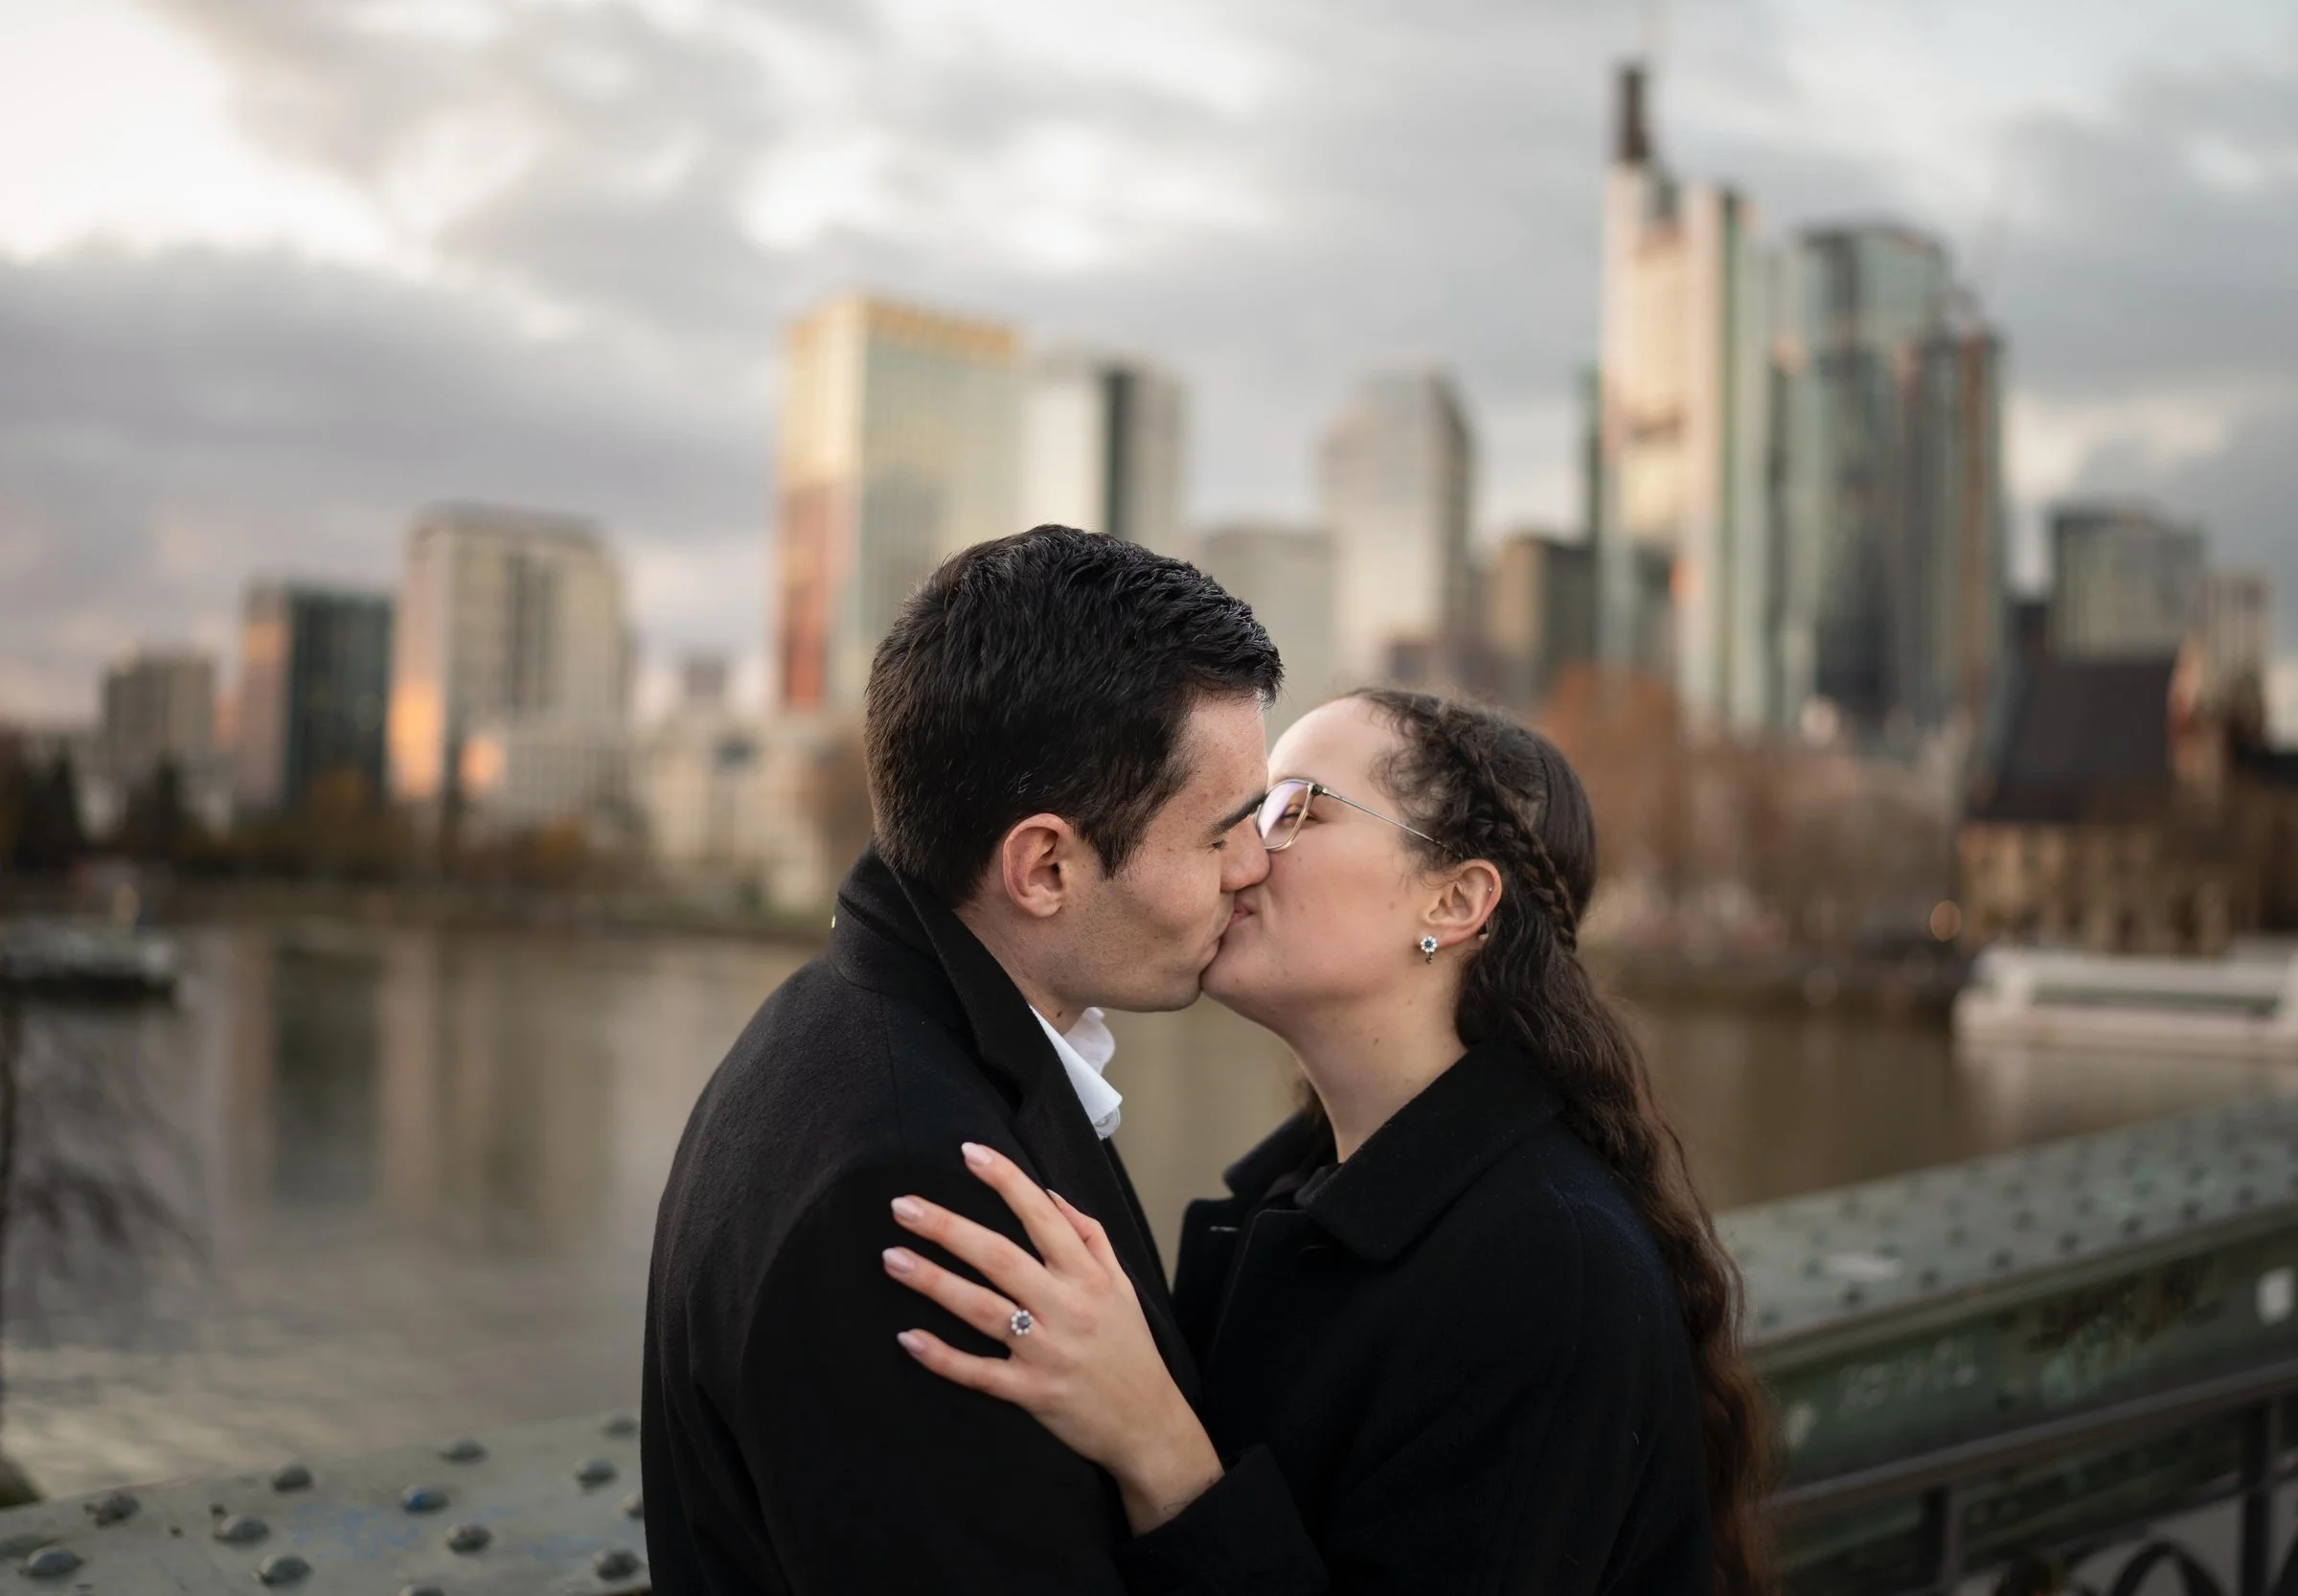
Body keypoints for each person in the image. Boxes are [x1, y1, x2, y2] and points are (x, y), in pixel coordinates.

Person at [883, 689, 1777, 1594]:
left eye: (1294, 810)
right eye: (1243, 813)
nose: (1237, 855)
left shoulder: (1546, 1266)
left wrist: (1157, 1444)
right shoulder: (1301, 1196)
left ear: (1457, 899)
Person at [641, 526, 1309, 1594]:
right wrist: (1173, 1458)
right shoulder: (913, 1190)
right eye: (1223, 830)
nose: (1255, 865)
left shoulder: (854, 1021)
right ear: (1043, 865)